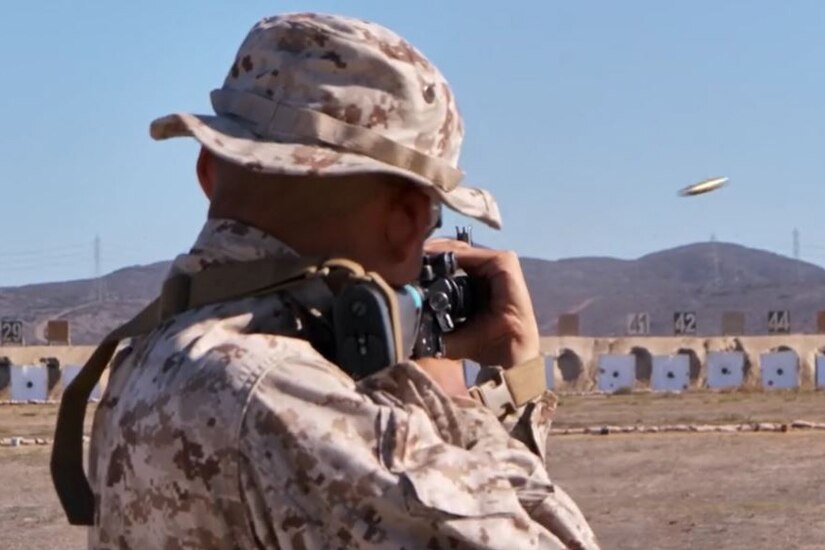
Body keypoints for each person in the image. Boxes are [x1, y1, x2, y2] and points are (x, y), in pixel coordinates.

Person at [86, 12, 600, 549]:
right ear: (405, 224)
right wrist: (459, 411)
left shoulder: (146, 359)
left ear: (208, 170)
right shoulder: (288, 400)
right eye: (430, 220)